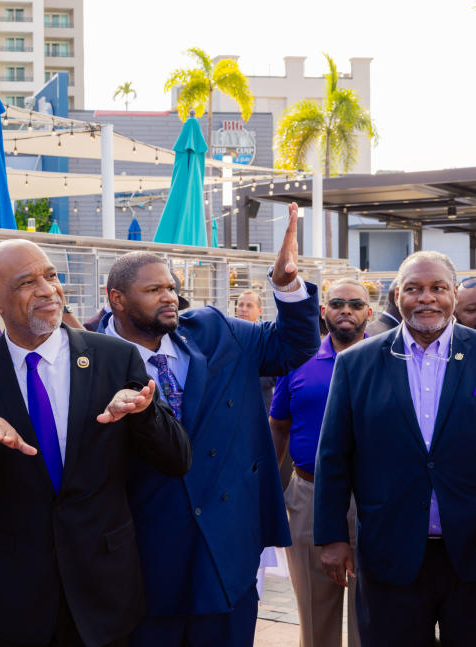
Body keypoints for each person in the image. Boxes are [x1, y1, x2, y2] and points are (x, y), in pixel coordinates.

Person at [0, 239, 191, 647]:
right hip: (20, 601)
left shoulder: (115, 358)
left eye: (51, 276)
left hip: (105, 593)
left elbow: (177, 459)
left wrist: (144, 414)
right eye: (27, 282)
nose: (47, 290)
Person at [98, 203, 321, 647]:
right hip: (141, 562)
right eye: (153, 290)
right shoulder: (87, 358)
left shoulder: (215, 329)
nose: (169, 297)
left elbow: (293, 347)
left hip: (227, 554)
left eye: (172, 287)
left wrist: (287, 285)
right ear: (117, 299)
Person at [315, 251, 476, 647]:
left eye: (438, 288)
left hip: (472, 552)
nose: (427, 298)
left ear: (454, 293)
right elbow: (334, 455)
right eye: (414, 289)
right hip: (390, 552)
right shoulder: (356, 363)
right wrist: (332, 537)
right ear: (396, 295)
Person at [269, 278, 372, 647]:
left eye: (356, 304)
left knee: (371, 615)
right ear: (323, 312)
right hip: (308, 494)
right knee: (315, 616)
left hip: (372, 499)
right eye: (338, 303)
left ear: (369, 313)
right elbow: (278, 426)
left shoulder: (384, 360)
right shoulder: (298, 360)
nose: (346, 310)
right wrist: (267, 488)